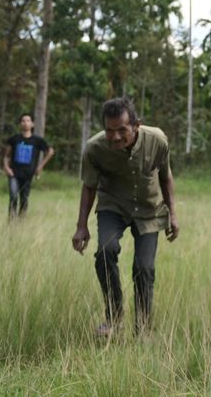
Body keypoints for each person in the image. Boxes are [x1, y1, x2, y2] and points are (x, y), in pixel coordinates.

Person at [71, 98, 178, 336]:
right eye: (109, 130)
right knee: (105, 251)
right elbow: (89, 186)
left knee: (144, 267)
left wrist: (173, 214)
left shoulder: (157, 140)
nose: (115, 136)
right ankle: (114, 316)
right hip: (113, 205)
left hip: (149, 209)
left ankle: (143, 329)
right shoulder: (95, 148)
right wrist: (81, 227)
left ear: (136, 125)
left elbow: (166, 177)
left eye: (122, 130)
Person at [3, 113, 55, 220]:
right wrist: (6, 167)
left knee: (24, 198)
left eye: (28, 121)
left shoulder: (37, 140)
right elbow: (6, 156)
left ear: (32, 124)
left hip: (28, 174)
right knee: (13, 196)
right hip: (14, 173)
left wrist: (40, 166)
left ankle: (21, 221)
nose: (25, 123)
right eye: (23, 121)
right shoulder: (14, 139)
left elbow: (50, 151)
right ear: (20, 124)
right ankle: (11, 221)